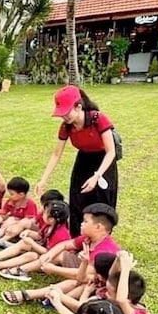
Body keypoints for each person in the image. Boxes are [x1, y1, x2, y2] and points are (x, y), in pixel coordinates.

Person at [36, 85, 119, 237]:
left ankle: (100, 239)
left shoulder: (98, 119)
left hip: (103, 161)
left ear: (78, 107)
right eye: (61, 114)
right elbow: (56, 154)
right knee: (78, 200)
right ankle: (77, 238)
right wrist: (43, 180)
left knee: (102, 201)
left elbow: (111, 152)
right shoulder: (66, 127)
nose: (64, 117)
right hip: (84, 160)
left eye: (66, 112)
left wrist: (97, 176)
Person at [0, 199, 70, 277]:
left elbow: (48, 253)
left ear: (52, 219)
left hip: (51, 259)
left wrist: (32, 243)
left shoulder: (60, 234)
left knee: (31, 255)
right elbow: (39, 235)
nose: (42, 214)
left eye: (45, 213)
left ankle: (0, 265)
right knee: (24, 243)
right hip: (45, 253)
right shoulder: (49, 226)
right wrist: (29, 233)